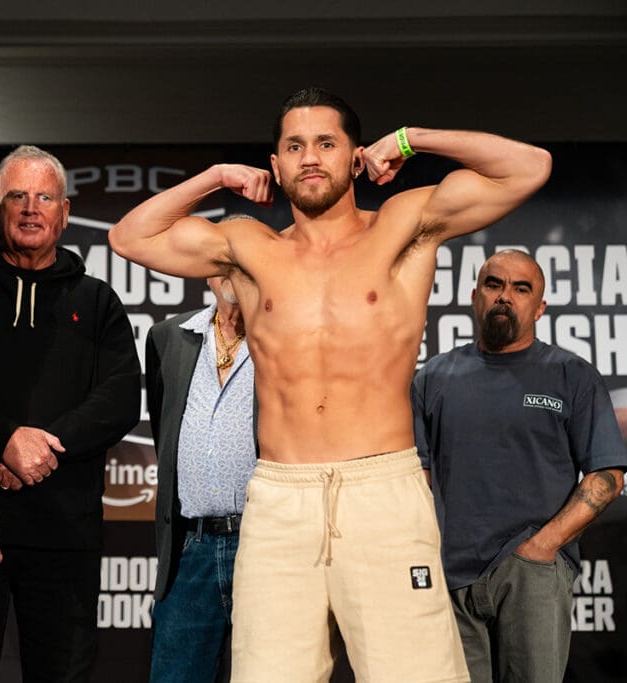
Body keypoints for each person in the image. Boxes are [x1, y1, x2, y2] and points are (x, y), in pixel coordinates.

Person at [108, 86, 552, 682]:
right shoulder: (248, 247)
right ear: (276, 165)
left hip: (381, 491)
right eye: (294, 146)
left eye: (326, 143)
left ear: (353, 156)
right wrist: (215, 177)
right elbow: (130, 238)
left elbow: (530, 167)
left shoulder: (402, 227)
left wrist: (410, 139)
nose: (310, 157)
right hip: (278, 499)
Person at [0, 145, 140, 683]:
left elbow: (120, 398)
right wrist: (3, 441)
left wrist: (38, 446)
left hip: (63, 530)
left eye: (44, 197)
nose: (31, 208)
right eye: (18, 197)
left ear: (65, 213)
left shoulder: (96, 301)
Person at [412, 249, 627, 682]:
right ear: (475, 296)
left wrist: (543, 547)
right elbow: (418, 478)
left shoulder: (572, 375)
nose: (505, 296)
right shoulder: (432, 378)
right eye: (494, 284)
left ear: (540, 306)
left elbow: (608, 473)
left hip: (534, 571)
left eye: (521, 288)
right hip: (451, 576)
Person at [145, 272, 256, 682]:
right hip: (190, 547)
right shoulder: (169, 335)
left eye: (243, 261)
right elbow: (165, 427)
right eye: (223, 260)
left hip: (263, 544)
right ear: (208, 271)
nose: (232, 272)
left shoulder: (282, 336)